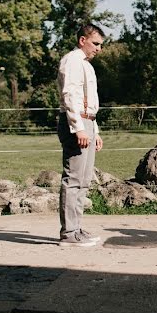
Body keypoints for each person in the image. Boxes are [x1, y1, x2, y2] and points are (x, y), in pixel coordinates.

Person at [56, 23, 105, 247]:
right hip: (76, 122)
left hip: (88, 122)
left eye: (101, 45)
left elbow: (89, 102)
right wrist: (79, 127)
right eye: (95, 43)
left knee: (84, 180)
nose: (99, 49)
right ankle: (68, 233)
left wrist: (95, 131)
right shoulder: (73, 60)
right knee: (74, 179)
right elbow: (70, 95)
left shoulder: (86, 65)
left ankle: (76, 228)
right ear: (82, 40)